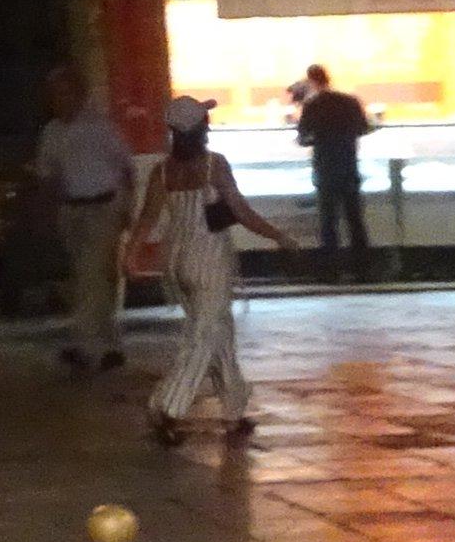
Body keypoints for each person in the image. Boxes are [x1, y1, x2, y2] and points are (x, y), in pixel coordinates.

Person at [129, 97, 293, 445]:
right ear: (202, 128)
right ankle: (167, 406)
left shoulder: (162, 172)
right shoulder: (214, 166)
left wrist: (132, 254)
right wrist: (277, 234)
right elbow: (242, 211)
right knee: (202, 337)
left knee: (219, 331)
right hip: (211, 260)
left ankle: (234, 408)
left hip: (178, 260)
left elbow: (147, 218)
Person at [28, 64, 137, 379]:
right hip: (72, 210)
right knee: (91, 278)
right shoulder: (52, 132)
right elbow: (48, 174)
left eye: (65, 93)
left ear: (80, 94)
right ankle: (109, 343)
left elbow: (125, 167)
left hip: (103, 207)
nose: (59, 100)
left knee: (92, 275)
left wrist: (127, 207)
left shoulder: (100, 128)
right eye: (54, 95)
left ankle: (88, 346)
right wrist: (47, 211)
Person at [290, 65, 376, 261]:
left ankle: (331, 269)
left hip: (325, 167)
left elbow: (302, 137)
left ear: (311, 80)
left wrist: (318, 139)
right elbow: (364, 128)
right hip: (349, 165)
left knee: (328, 222)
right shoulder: (350, 101)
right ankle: (362, 268)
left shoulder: (312, 105)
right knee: (355, 219)